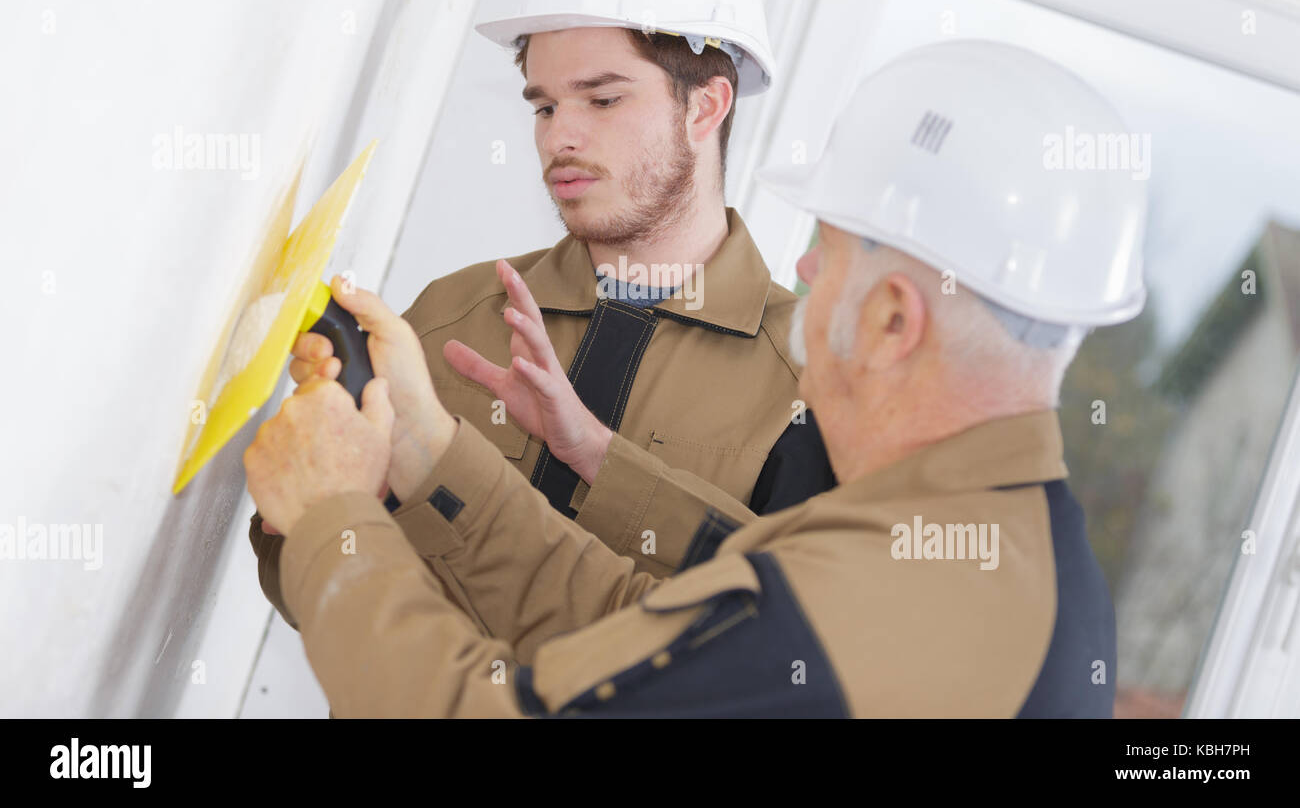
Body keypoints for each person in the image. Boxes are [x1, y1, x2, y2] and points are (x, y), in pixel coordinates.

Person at [245, 39, 1147, 715]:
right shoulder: (1006, 552)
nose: (798, 274)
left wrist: (334, 521)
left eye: (823, 256)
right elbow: (636, 621)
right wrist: (424, 448)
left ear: (893, 320)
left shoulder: (875, 601)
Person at [249, 0, 837, 630]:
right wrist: (311, 510)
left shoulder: (810, 389)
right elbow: (303, 583)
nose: (562, 137)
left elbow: (786, 649)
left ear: (706, 108)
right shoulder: (455, 314)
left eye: (603, 98)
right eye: (545, 106)